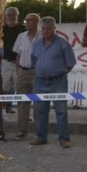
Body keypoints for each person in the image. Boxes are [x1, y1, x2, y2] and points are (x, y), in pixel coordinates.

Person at [31, 16, 77, 147]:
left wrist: (58, 73)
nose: (45, 31)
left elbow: (70, 63)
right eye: (43, 29)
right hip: (40, 81)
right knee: (39, 110)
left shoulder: (63, 44)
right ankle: (41, 137)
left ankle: (64, 139)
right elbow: (34, 61)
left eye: (48, 29)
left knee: (61, 111)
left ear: (54, 29)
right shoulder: (37, 44)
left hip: (58, 81)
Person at [11, 12, 40, 138]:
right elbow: (18, 55)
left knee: (38, 102)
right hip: (23, 71)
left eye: (29, 20)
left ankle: (40, 132)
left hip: (37, 72)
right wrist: (18, 71)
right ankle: (22, 131)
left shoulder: (42, 36)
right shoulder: (21, 36)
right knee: (22, 103)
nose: (26, 22)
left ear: (36, 22)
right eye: (26, 20)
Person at [1, 7, 26, 114]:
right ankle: (2, 112)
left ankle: (23, 113)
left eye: (13, 15)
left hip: (20, 64)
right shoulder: (1, 29)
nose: (11, 17)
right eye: (9, 15)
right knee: (4, 88)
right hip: (6, 62)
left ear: (17, 16)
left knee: (20, 89)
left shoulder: (23, 29)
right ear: (5, 16)